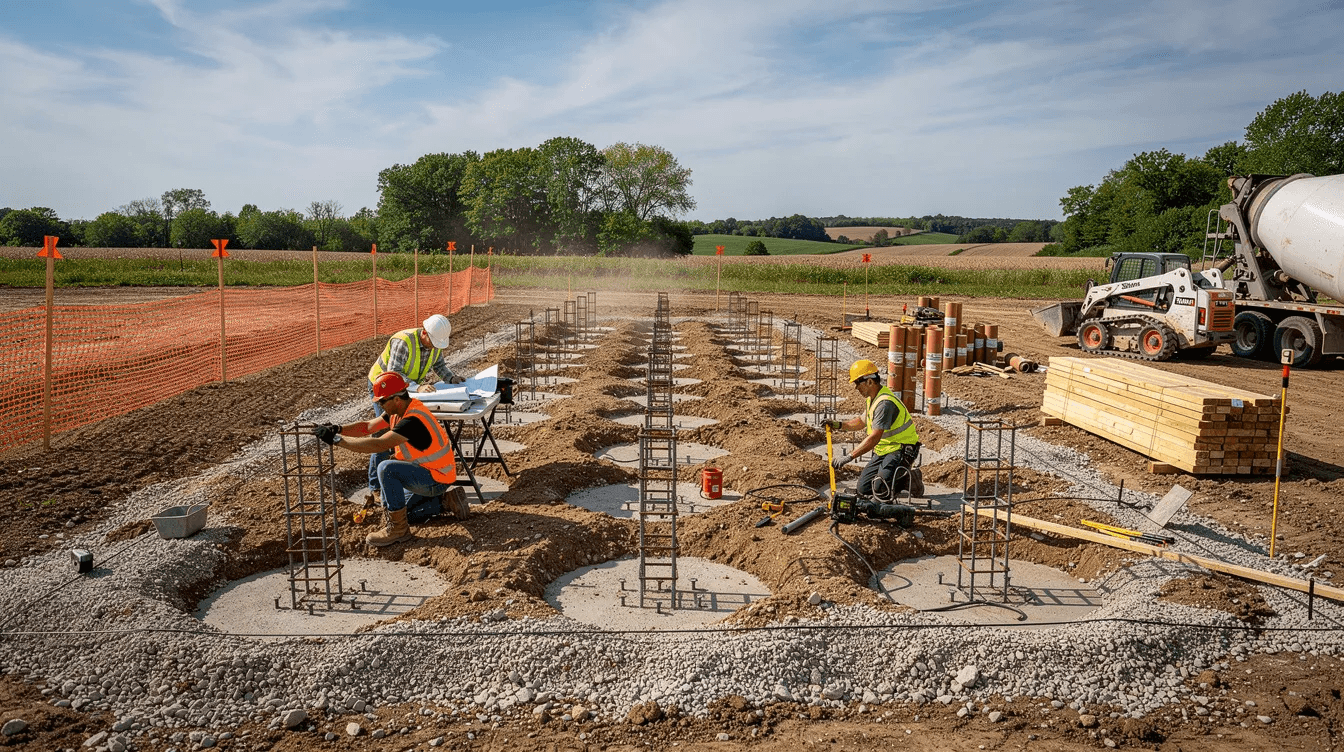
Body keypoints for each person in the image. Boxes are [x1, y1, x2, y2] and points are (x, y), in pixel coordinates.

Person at [314, 371, 470, 547]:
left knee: (386, 468)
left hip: (435, 478)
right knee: (395, 512)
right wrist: (338, 428)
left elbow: (377, 445)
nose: (380, 405)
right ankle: (445, 502)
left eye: (382, 401)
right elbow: (368, 427)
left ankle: (398, 532)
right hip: (429, 473)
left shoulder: (412, 420)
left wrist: (337, 441)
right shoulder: (400, 410)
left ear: (396, 399)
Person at [364, 314, 462, 506]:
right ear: (424, 332)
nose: (435, 346)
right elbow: (392, 374)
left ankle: (406, 475)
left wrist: (451, 378)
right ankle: (375, 487)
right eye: (433, 342)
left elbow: (439, 365)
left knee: (407, 428)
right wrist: (417, 387)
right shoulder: (404, 342)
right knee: (384, 434)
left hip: (406, 389)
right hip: (383, 387)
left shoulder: (434, 344)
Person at [823, 359, 924, 500]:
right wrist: (838, 425)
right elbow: (862, 421)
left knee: (881, 490)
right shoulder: (873, 399)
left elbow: (874, 437)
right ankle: (902, 479)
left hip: (902, 450)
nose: (856, 388)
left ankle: (910, 480)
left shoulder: (884, 403)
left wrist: (849, 456)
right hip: (885, 450)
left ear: (869, 381)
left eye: (857, 383)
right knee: (863, 489)